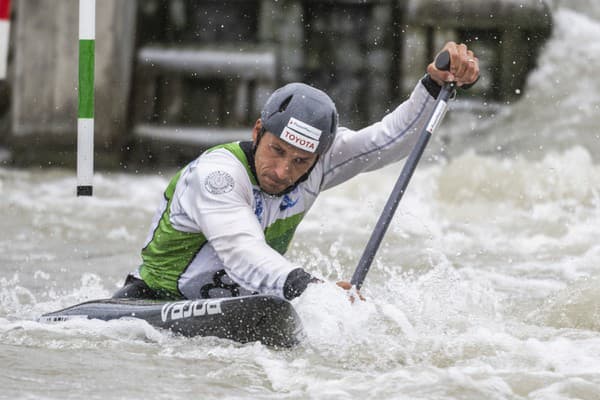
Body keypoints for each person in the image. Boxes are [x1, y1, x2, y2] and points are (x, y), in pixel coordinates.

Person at [113, 41, 479, 301]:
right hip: (153, 301)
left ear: (318, 156)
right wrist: (314, 291)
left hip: (243, 301)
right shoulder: (216, 176)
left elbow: (389, 140)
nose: (283, 170)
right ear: (258, 132)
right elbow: (243, 255)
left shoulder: (319, 162)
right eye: (276, 151)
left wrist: (433, 84)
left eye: (301, 161)